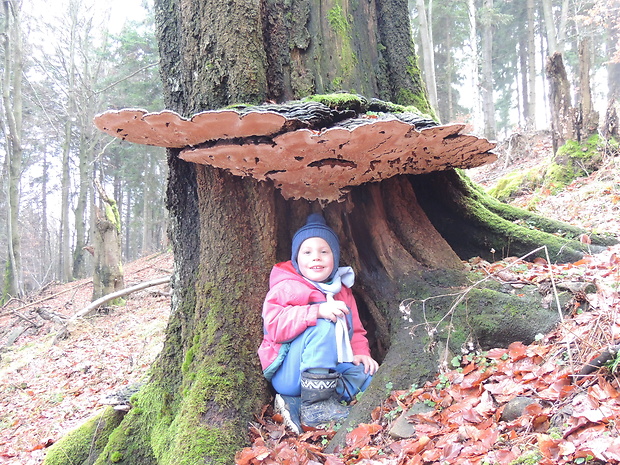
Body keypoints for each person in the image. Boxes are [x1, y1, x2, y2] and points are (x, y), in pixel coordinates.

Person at [258, 213, 379, 433]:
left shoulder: (342, 291)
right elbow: (274, 326)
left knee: (368, 374)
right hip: (289, 372)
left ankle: (301, 404)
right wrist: (316, 311)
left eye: (324, 251)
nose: (316, 258)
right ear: (296, 258)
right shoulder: (287, 286)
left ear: (335, 257)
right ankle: (316, 408)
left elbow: (357, 330)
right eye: (307, 252)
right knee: (323, 324)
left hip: (329, 368)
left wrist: (361, 352)